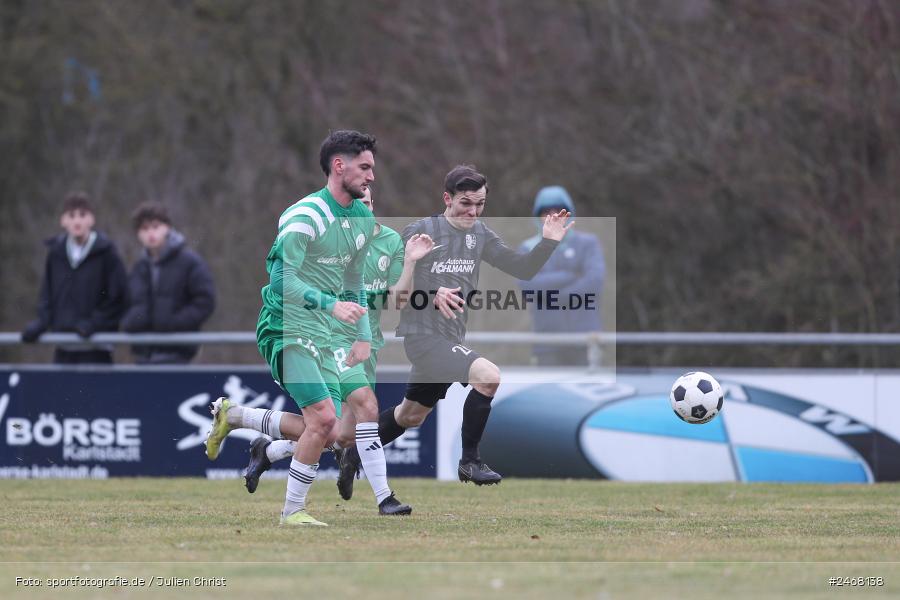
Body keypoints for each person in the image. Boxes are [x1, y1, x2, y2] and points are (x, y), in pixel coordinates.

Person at [203, 130, 408, 526]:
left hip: (327, 332)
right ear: (338, 166)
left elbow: (353, 282)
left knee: (328, 429)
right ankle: (292, 512)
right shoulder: (305, 216)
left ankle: (237, 417)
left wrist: (363, 335)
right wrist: (331, 305)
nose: (371, 177)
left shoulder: (362, 218)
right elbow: (283, 281)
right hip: (286, 325)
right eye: (365, 167)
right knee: (324, 420)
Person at [337, 165, 572, 496]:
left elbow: (523, 269)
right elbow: (393, 291)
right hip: (422, 338)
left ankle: (353, 452)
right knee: (488, 376)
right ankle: (470, 460)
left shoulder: (480, 235)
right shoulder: (421, 232)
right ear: (447, 198)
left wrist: (548, 242)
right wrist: (431, 296)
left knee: (409, 416)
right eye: (465, 203)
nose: (472, 211)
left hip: (449, 339)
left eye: (479, 204)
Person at [241, 186, 433, 504]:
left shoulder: (389, 241)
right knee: (368, 407)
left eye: (368, 203)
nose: (362, 210)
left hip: (365, 340)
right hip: (333, 337)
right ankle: (385, 498)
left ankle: (267, 449)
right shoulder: (331, 240)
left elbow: (398, 299)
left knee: (339, 435)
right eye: (357, 204)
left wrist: (411, 262)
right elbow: (287, 279)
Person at [21, 191, 128, 364]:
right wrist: (41, 323)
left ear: (91, 219)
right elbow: (47, 295)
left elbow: (117, 297)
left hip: (96, 347)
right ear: (63, 221)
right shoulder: (56, 254)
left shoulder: (107, 253)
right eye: (72, 215)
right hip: (64, 347)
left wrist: (93, 324)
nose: (77, 221)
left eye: (82, 215)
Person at [517, 186, 604, 366]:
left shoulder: (588, 244)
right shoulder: (528, 248)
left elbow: (594, 282)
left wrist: (551, 296)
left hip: (584, 338)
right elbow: (527, 286)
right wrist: (569, 276)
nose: (554, 216)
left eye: (559, 210)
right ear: (537, 216)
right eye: (546, 211)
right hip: (546, 341)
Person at [121, 202, 216, 364]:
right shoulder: (138, 268)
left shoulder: (189, 262)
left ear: (168, 227)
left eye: (155, 226)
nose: (151, 233)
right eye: (144, 228)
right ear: (138, 233)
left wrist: (175, 323)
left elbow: (205, 301)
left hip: (179, 354)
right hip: (143, 355)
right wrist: (132, 322)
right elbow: (126, 303)